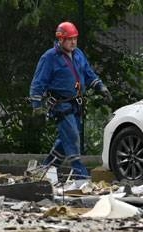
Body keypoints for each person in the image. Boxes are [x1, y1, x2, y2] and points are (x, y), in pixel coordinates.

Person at [29, 21, 111, 180]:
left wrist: (101, 87)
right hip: (60, 104)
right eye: (69, 39)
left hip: (77, 103)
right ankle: (81, 174)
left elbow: (88, 73)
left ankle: (47, 168)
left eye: (75, 38)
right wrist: (37, 106)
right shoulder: (49, 57)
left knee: (65, 139)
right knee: (72, 136)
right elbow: (38, 83)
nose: (73, 42)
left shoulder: (78, 53)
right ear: (60, 39)